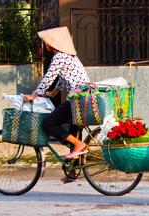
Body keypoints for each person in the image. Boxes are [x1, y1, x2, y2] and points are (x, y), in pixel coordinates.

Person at [24, 26, 89, 159]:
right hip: (83, 98)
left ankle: (78, 144)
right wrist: (53, 93)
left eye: (48, 42)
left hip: (76, 99)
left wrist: (34, 95)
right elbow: (63, 78)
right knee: (73, 134)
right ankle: (73, 172)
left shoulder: (60, 57)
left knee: (48, 123)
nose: (47, 45)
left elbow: (49, 77)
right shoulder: (70, 56)